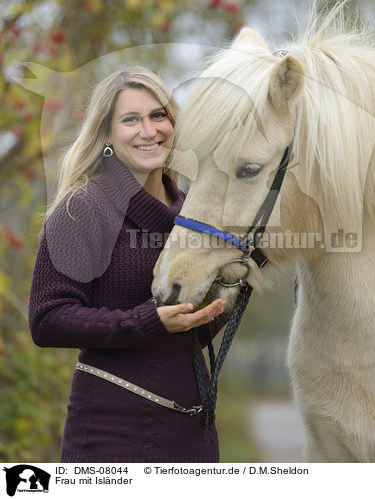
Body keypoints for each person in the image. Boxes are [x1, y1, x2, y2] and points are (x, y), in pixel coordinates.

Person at [29, 67, 227, 463]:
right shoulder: (82, 209)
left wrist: (220, 299)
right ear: (106, 135)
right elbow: (47, 319)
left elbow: (188, 334)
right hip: (110, 432)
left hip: (192, 430)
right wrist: (147, 321)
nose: (149, 130)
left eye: (159, 115)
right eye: (131, 120)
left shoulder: (195, 213)